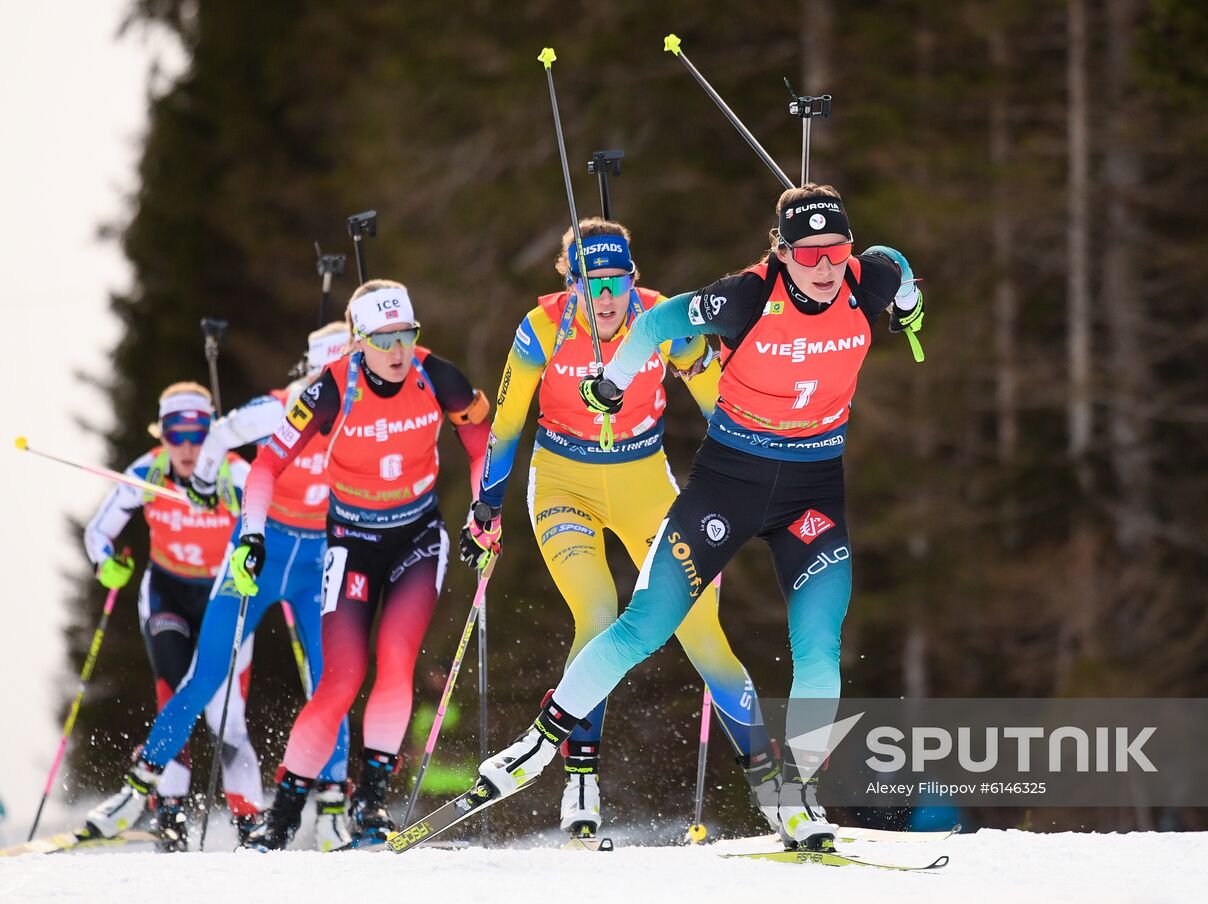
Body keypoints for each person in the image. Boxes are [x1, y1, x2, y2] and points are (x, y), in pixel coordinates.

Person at [463, 184, 925, 852]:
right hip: (726, 485)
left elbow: (896, 264)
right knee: (639, 625)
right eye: (808, 254)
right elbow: (658, 328)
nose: (824, 268)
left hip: (811, 492)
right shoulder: (743, 295)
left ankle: (792, 795)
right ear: (783, 253)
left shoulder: (867, 280)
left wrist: (909, 301)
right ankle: (541, 746)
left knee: (819, 649)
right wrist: (613, 383)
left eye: (836, 252)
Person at [463, 220, 775, 839]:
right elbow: (505, 425)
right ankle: (581, 779)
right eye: (593, 285)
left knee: (702, 632)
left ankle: (778, 794)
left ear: (634, 279)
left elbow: (720, 406)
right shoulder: (543, 328)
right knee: (599, 611)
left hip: (643, 483)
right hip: (562, 486)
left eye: (618, 283)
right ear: (571, 284)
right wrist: (487, 507)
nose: (607, 300)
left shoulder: (660, 320)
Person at [232, 279, 490, 849]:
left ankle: (370, 805)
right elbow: (264, 469)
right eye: (383, 339)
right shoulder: (329, 391)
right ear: (357, 341)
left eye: (406, 335)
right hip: (349, 540)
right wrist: (252, 535)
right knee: (341, 679)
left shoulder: (437, 376)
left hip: (417, 540)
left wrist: (483, 510)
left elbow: (481, 451)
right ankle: (282, 816)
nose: (397, 352)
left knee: (396, 663)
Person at [81, 325, 357, 851]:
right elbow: (223, 432)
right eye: (331, 371)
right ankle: (142, 789)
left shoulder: (366, 415)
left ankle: (332, 809)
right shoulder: (278, 410)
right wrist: (205, 480)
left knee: (331, 682)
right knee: (204, 677)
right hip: (257, 558)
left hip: (317, 559)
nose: (338, 383)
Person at [80, 382, 260, 850]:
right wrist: (107, 564)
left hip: (224, 596)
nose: (185, 447)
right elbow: (98, 532)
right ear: (162, 436)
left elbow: (276, 518)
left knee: (229, 715)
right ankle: (172, 813)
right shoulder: (149, 472)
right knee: (175, 694)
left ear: (212, 434)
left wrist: (252, 549)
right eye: (174, 434)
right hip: (167, 596)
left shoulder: (234, 473)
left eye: (197, 433)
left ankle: (248, 820)